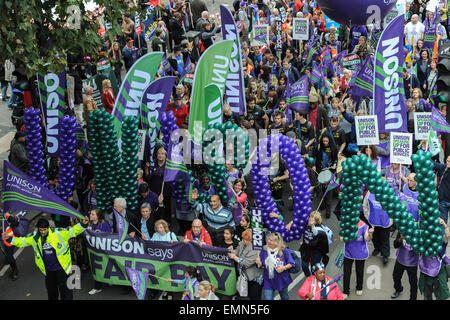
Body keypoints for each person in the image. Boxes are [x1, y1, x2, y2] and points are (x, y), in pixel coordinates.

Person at [2, 217, 89, 300]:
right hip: (48, 271)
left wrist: (83, 224)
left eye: (45, 229)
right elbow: (22, 241)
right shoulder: (34, 237)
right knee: (52, 293)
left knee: (66, 292)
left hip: (62, 269)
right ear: (38, 229)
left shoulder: (58, 232)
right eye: (41, 230)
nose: (43, 232)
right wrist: (9, 239)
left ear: (48, 227)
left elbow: (73, 231)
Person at [340, 219, 374, 299]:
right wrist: (347, 235)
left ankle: (359, 287)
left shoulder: (364, 226)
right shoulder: (345, 224)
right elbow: (341, 240)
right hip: (348, 252)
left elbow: (367, 239)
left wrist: (370, 234)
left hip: (360, 252)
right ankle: (346, 291)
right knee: (347, 272)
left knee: (360, 271)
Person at [256, 232, 295, 300]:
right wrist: (258, 263)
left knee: (284, 297)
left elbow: (291, 263)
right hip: (268, 280)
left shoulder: (284, 251)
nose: (268, 241)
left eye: (271, 240)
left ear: (277, 242)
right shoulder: (264, 250)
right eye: (268, 239)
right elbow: (261, 264)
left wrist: (284, 267)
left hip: (281, 279)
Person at [418, 218, 450, 300]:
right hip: (426, 272)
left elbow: (447, 236)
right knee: (427, 295)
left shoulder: (440, 244)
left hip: (438, 272)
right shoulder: (423, 242)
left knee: (439, 294)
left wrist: (445, 226)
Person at [228, 229, 264, 299]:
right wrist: (232, 251)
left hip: (255, 278)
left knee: (254, 296)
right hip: (245, 275)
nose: (244, 241)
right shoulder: (242, 242)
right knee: (245, 295)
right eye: (243, 239)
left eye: (246, 240)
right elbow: (238, 251)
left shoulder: (256, 249)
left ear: (251, 240)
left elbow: (246, 263)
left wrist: (235, 257)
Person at [363, 189, 391, 265]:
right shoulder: (370, 192)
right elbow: (365, 205)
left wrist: (391, 220)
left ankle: (385, 255)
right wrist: (367, 216)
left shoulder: (389, 192)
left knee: (385, 239)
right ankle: (377, 248)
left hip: (385, 222)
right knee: (375, 237)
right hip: (373, 221)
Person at [87, 209, 112, 295]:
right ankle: (99, 285)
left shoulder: (104, 225)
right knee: (97, 268)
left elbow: (110, 236)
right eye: (91, 213)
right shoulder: (89, 224)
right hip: (93, 251)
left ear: (97, 216)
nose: (90, 215)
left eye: (93, 214)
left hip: (102, 251)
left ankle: (97, 287)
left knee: (99, 268)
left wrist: (101, 233)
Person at [299, 211, 329, 277]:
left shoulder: (319, 229)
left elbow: (316, 233)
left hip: (316, 251)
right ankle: (308, 277)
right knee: (304, 265)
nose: (310, 219)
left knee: (314, 267)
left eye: (313, 218)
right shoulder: (306, 225)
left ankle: (314, 278)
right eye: (310, 217)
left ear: (317, 221)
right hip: (306, 248)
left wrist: (312, 226)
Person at [433, 155, 450, 224]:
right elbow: (434, 164)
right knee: (442, 223)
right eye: (447, 160)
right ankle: (443, 235)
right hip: (443, 202)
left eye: (449, 161)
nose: (447, 163)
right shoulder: (444, 168)